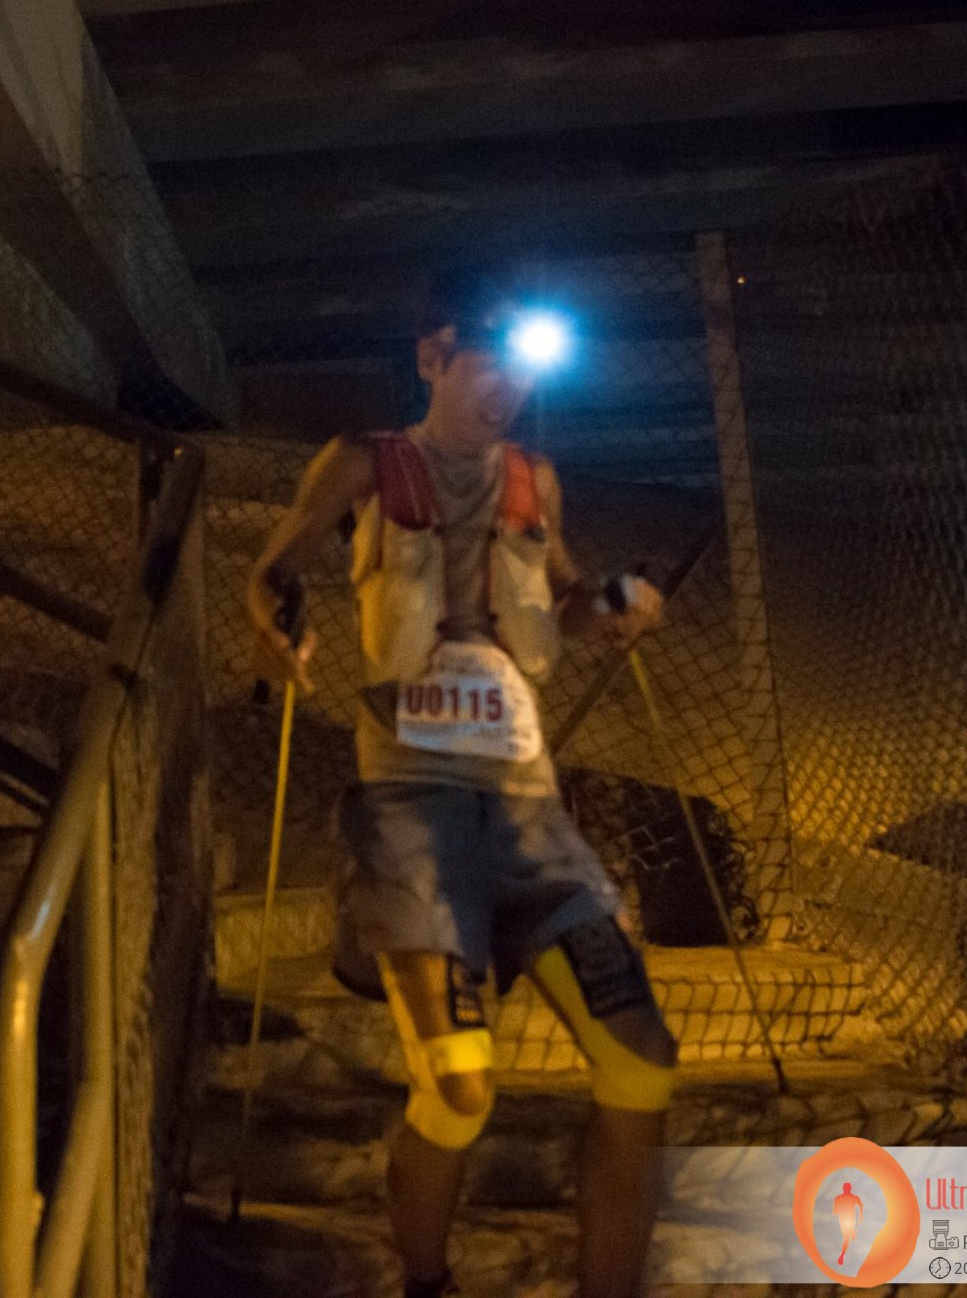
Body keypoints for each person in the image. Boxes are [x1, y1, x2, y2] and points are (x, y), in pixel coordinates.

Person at [244, 268, 679, 1298]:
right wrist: (275, 626)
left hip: (529, 808)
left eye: (522, 371)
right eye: (488, 364)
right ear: (432, 357)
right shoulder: (365, 461)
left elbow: (564, 599)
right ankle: (425, 1281)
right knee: (457, 1087)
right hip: (412, 805)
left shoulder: (533, 476)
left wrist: (615, 600)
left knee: (641, 1063)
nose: (507, 390)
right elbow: (272, 567)